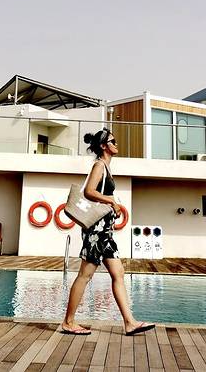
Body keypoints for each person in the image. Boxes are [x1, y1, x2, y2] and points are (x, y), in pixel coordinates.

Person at [60, 128, 156, 337]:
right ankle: (68, 322)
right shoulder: (99, 165)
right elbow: (89, 191)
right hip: (96, 232)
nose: (116, 143)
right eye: (113, 141)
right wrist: (112, 202)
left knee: (118, 273)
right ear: (104, 146)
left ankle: (130, 323)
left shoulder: (107, 167)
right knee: (85, 275)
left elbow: (100, 193)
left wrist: (114, 207)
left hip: (105, 232)